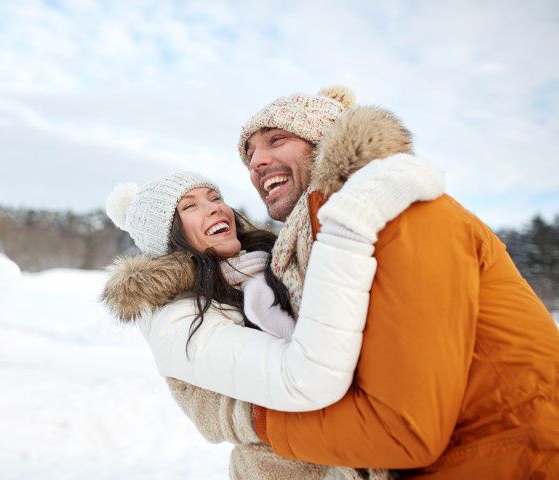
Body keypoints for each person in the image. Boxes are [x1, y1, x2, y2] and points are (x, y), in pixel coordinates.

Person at [120, 85, 559, 478]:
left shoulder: (396, 217)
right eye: (249, 153)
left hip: (511, 458)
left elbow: (402, 428)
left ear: (325, 142)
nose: (255, 162)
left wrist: (251, 421)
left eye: (276, 140)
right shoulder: (313, 248)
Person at [102, 111, 445, 478]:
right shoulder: (177, 316)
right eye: (190, 206)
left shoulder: (275, 261)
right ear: (169, 236)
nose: (215, 207)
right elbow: (298, 379)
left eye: (213, 196)